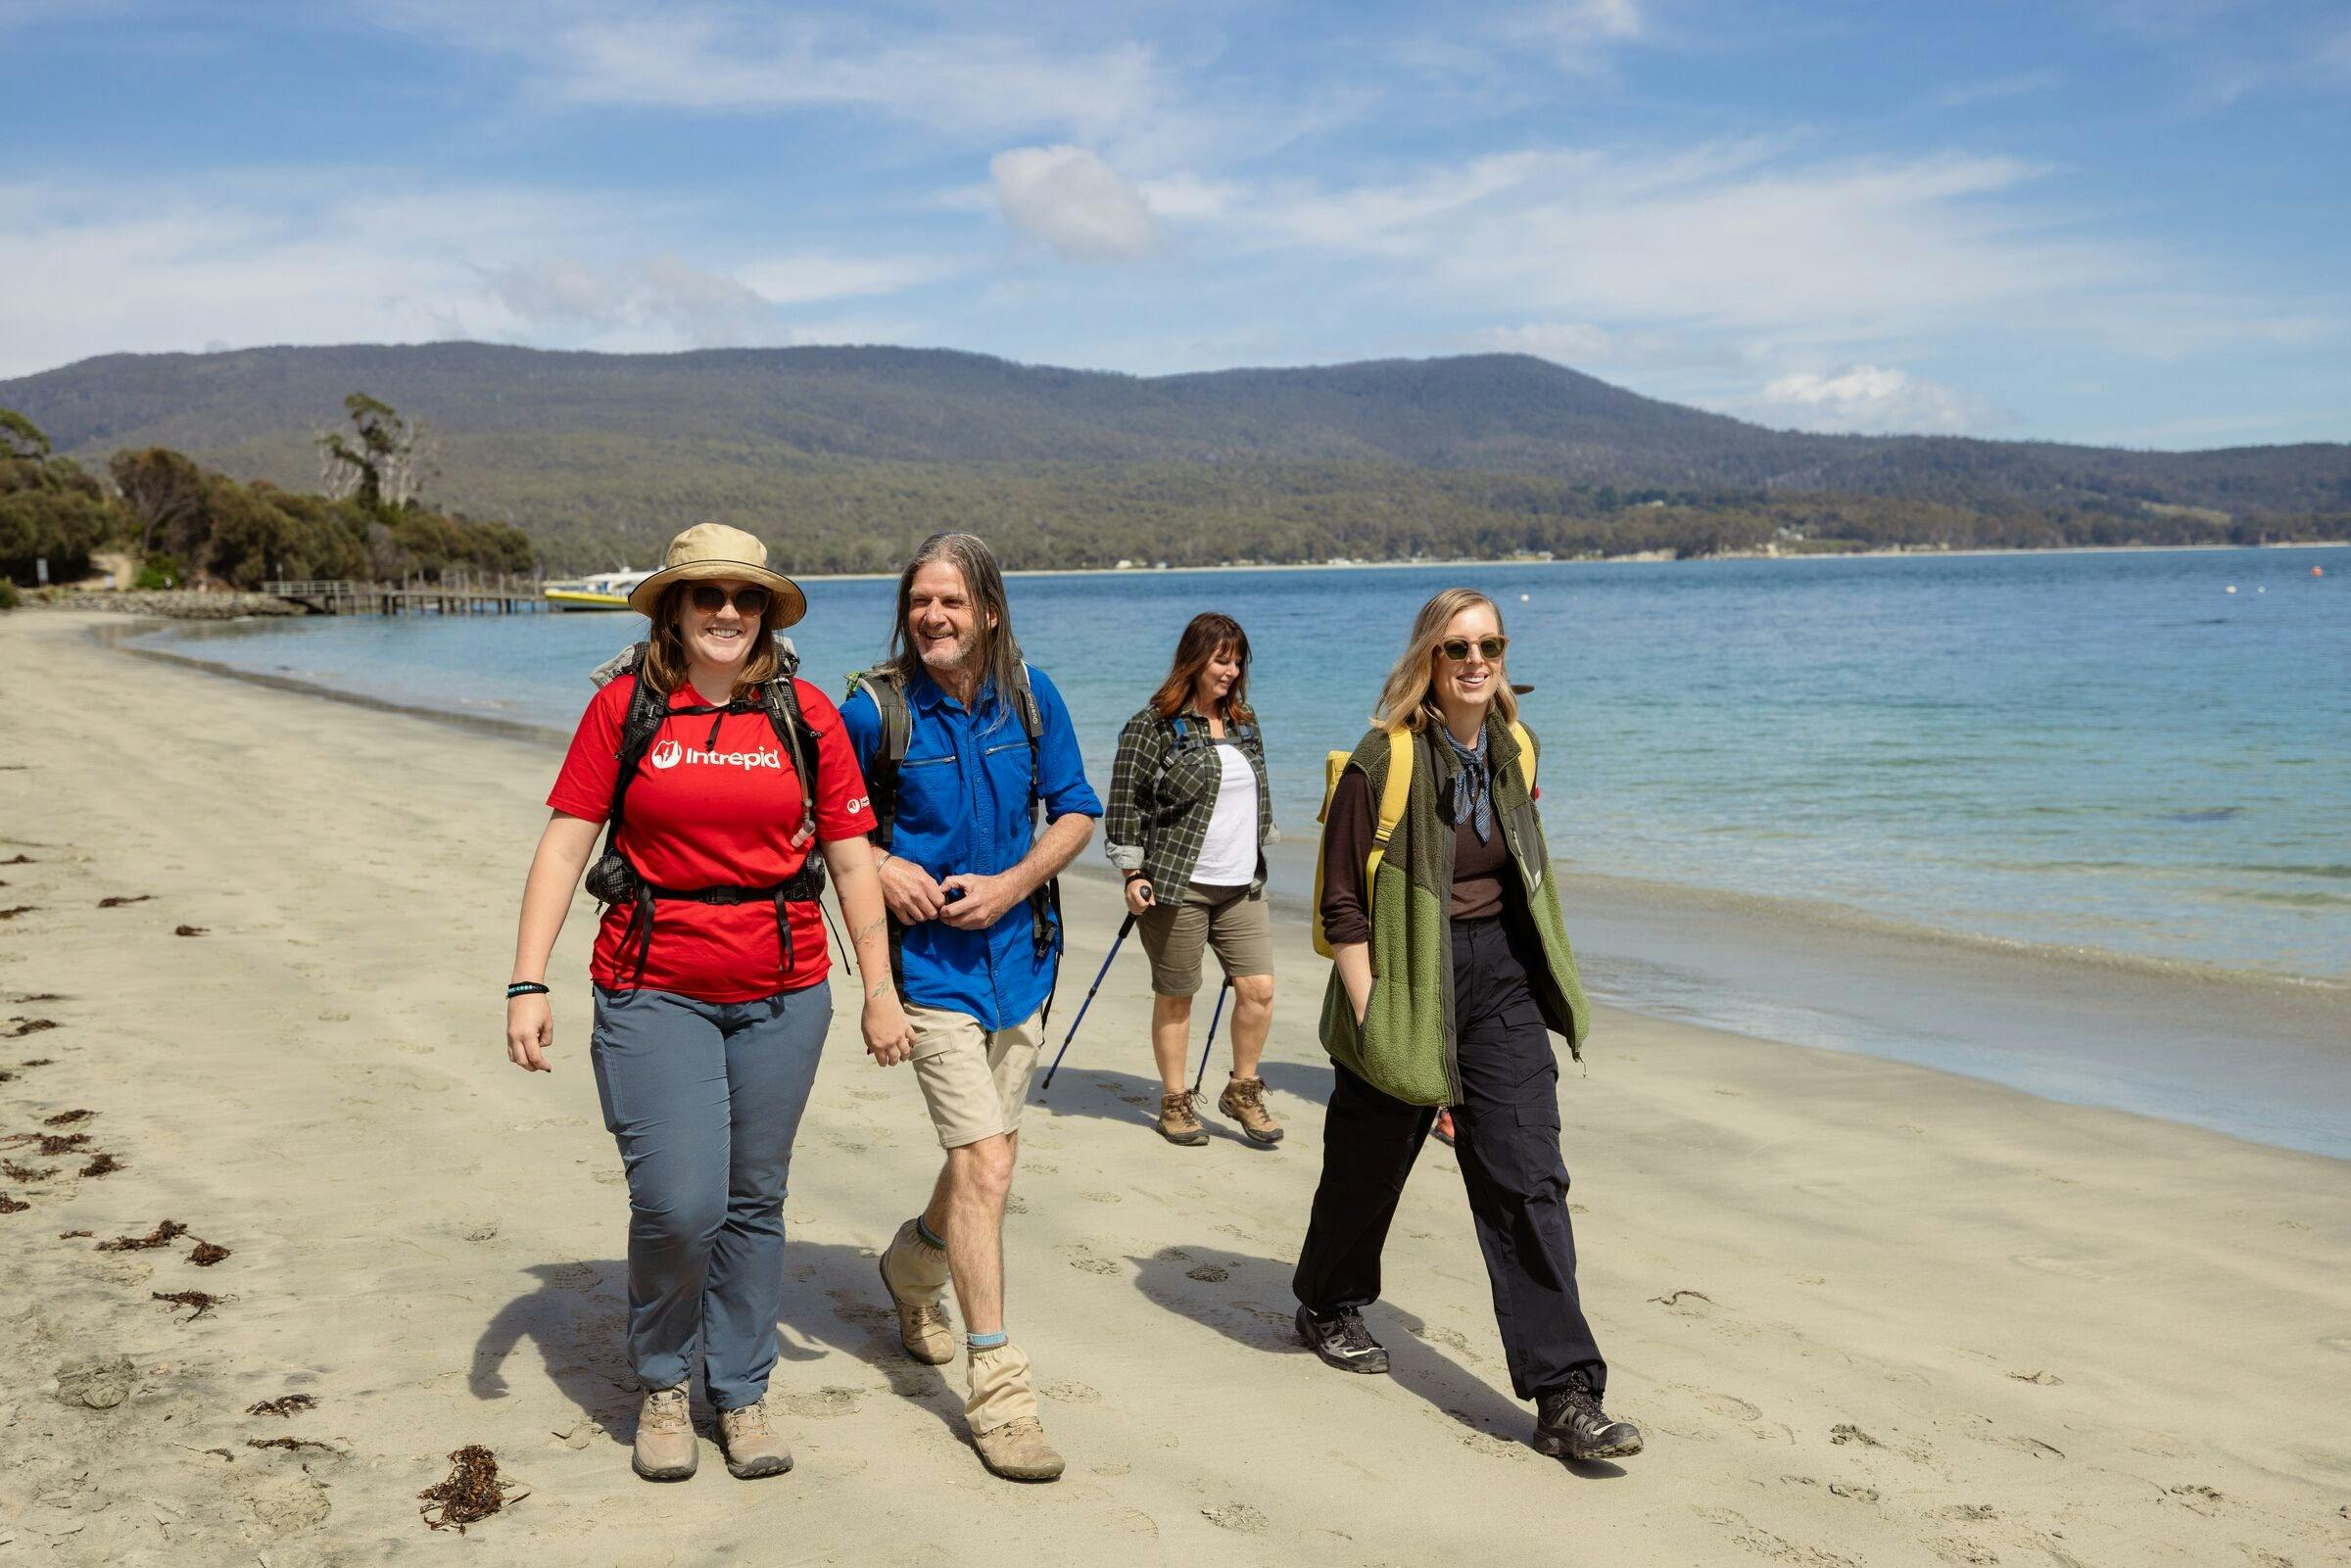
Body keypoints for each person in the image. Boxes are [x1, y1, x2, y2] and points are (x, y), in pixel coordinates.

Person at [504, 523, 915, 1485]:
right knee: (680, 1202)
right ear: (674, 610)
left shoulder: (806, 713)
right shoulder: (626, 707)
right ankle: (659, 1378)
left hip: (784, 989)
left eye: (745, 597)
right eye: (707, 596)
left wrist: (879, 994)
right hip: (654, 985)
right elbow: (566, 844)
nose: (727, 611)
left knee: (752, 1199)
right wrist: (528, 979)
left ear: (765, 610)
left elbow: (853, 858)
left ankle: (740, 1386)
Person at [1292, 587, 1644, 1462]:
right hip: (1405, 977)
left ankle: (1566, 1392)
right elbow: (1341, 903)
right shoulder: (1386, 759)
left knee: (1528, 1177)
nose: (1477, 660)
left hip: (1502, 980)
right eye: (1458, 648)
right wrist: (1377, 1016)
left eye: (1491, 644)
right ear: (1429, 661)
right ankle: (1328, 1299)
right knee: (1369, 1167)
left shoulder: (1514, 745)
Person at [841, 532, 1101, 1483]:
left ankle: (914, 1268)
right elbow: (816, 818)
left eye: (952, 601)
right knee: (986, 1163)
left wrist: (1013, 881)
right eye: (921, 601)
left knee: (991, 1155)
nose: (934, 617)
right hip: (930, 973)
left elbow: (1074, 809)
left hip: (1023, 962)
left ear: (990, 610)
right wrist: (883, 861)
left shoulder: (1034, 699)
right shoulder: (875, 709)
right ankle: (1001, 1391)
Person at [1104, 612, 1280, 1147]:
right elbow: (1126, 800)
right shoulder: (1152, 725)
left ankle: (1242, 1090)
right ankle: (1175, 1102)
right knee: (1178, 995)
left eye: (1237, 661)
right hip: (1177, 883)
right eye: (1221, 659)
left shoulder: (1246, 724)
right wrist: (1132, 872)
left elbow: (1254, 800)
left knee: (1259, 990)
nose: (1230, 671)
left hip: (1242, 883)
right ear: (1195, 659)